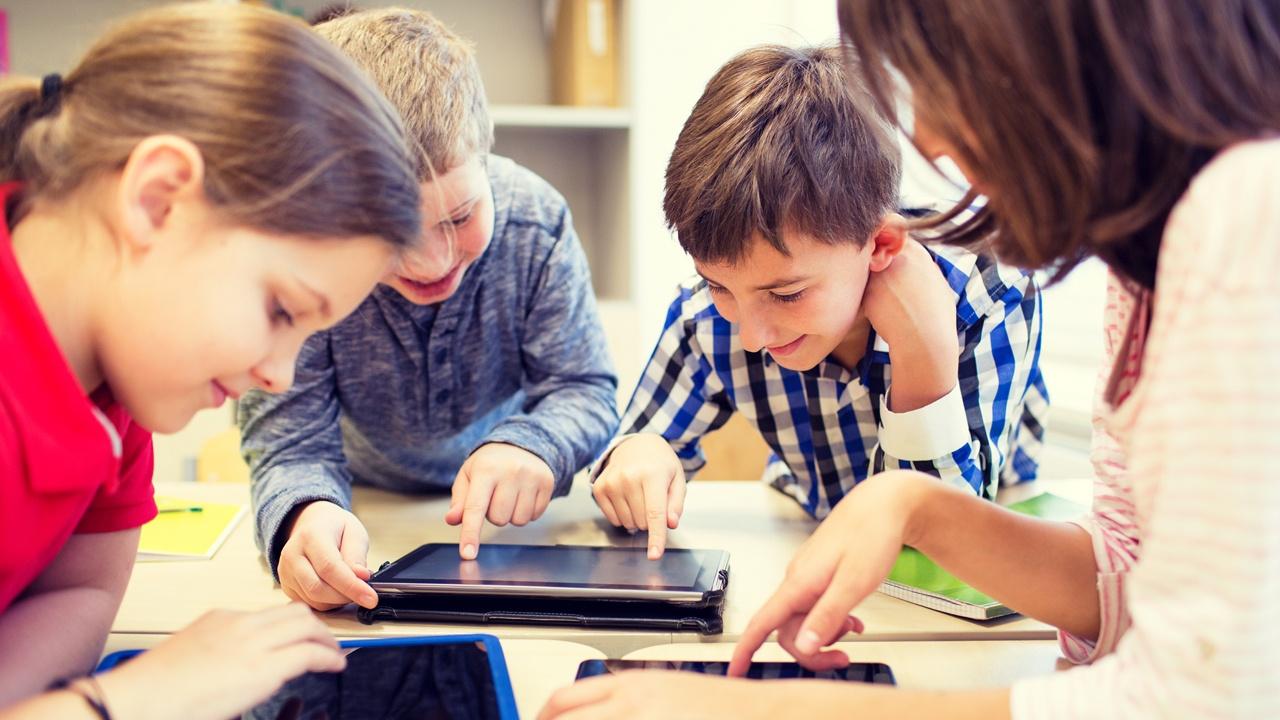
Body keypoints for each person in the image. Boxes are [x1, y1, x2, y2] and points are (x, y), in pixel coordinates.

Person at [541, 0, 1280, 717]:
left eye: (938, 76)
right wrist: (910, 506)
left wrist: (754, 710)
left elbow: (1209, 691)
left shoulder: (1240, 217)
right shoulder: (1141, 266)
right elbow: (1125, 578)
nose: (923, 136)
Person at [0, 4, 422, 718]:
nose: (279, 376)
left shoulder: (118, 376)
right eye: (281, 311)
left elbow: (82, 593)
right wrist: (125, 700)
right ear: (158, 199)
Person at [590, 44, 1047, 559]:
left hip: (986, 559)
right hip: (811, 530)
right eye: (718, 285)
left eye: (786, 294)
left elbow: (942, 537)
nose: (752, 336)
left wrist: (924, 352)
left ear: (880, 246)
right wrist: (639, 453)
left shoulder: (990, 291)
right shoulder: (706, 319)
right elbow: (625, 454)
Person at [238, 7, 618, 612]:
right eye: (392, 235)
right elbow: (291, 443)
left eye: (461, 217)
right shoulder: (307, 257)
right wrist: (304, 515)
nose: (432, 261)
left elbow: (585, 387)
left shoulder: (536, 222)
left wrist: (535, 442)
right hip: (362, 510)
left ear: (486, 151)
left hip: (517, 526)